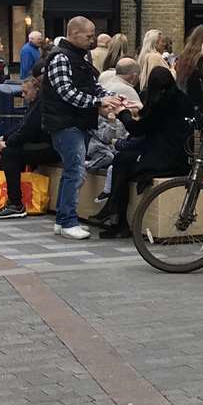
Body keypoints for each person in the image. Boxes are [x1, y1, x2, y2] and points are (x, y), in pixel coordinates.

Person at [41, 15, 119, 240]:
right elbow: (65, 92)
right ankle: (68, 222)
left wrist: (112, 97)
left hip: (76, 122)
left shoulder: (79, 56)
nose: (93, 40)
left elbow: (93, 86)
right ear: (74, 34)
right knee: (75, 171)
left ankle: (62, 220)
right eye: (89, 35)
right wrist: (98, 102)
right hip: (65, 123)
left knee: (72, 171)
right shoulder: (60, 58)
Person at [91, 67, 192, 239]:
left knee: (122, 162)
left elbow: (138, 129)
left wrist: (123, 114)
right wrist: (140, 109)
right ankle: (115, 214)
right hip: (179, 156)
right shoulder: (179, 98)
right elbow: (156, 120)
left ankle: (116, 215)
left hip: (166, 160)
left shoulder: (162, 103)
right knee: (123, 160)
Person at [0, 73, 59, 218]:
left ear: (36, 90)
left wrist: (8, 142)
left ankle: (15, 203)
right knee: (7, 150)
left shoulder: (41, 104)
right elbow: (23, 125)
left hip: (49, 146)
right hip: (40, 143)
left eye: (26, 92)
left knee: (9, 153)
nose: (23, 96)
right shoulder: (36, 103)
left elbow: (28, 130)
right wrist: (5, 137)